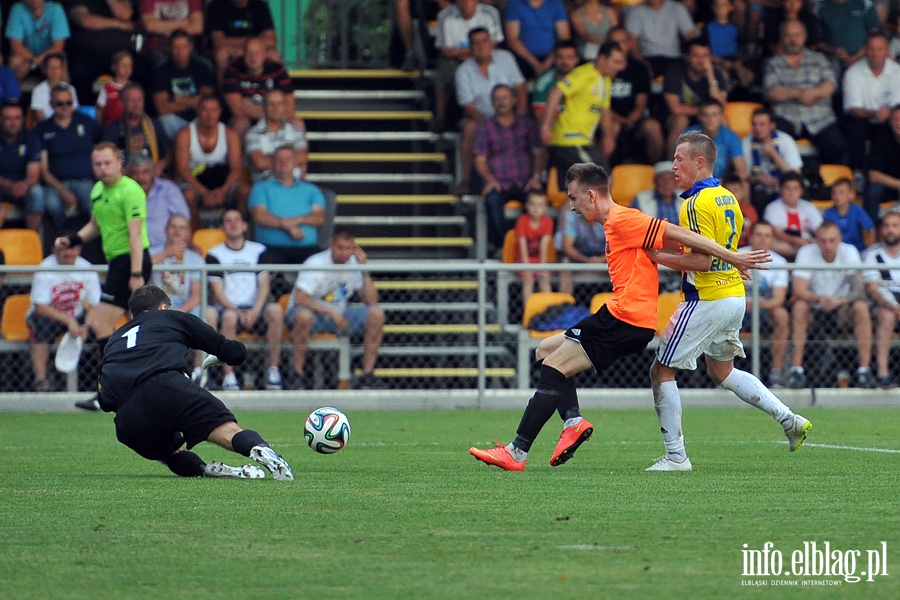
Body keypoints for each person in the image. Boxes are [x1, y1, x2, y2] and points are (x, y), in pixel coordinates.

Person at [469, 161, 772, 471]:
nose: (571, 207)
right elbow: (680, 242)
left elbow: (679, 232)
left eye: (573, 198)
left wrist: (731, 256)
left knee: (554, 366)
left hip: (626, 319)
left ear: (590, 194)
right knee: (545, 350)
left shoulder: (623, 219)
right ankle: (572, 421)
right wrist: (708, 256)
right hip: (621, 317)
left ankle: (518, 451)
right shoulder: (617, 224)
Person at [645, 131, 811, 472]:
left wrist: (657, 256)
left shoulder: (693, 203)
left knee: (661, 370)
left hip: (706, 297)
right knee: (722, 370)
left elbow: (703, 260)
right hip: (733, 294)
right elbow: (718, 250)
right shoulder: (727, 197)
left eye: (679, 159)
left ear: (699, 162)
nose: (674, 166)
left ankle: (676, 457)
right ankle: (789, 419)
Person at [97, 284, 294, 480]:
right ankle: (259, 449)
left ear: (133, 315)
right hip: (166, 387)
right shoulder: (173, 317)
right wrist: (224, 355)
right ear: (164, 308)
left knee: (171, 453)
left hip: (127, 420)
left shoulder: (114, 339)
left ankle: (205, 469)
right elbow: (233, 352)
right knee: (227, 431)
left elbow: (105, 400)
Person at [53, 141, 153, 411]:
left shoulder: (131, 191)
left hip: (131, 262)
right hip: (117, 264)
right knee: (105, 325)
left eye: (107, 162)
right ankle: (116, 388)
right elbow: (96, 224)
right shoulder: (98, 190)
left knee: (101, 322)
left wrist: (135, 273)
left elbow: (135, 234)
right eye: (97, 163)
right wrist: (73, 239)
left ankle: (111, 390)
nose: (102, 168)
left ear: (119, 163)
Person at [286, 227, 387, 391]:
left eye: (349, 248)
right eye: (340, 247)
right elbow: (300, 299)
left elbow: (371, 300)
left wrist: (364, 270)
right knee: (304, 317)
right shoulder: (316, 263)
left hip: (340, 313)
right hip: (310, 313)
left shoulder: (355, 265)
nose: (344, 253)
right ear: (331, 245)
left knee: (376, 314)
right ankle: (296, 376)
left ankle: (367, 375)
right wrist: (331, 312)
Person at [206, 209, 284, 391]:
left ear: (244, 225)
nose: (233, 224)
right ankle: (229, 376)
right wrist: (236, 310)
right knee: (229, 317)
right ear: (222, 228)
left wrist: (255, 311)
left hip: (256, 309)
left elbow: (264, 284)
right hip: (229, 309)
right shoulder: (214, 254)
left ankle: (273, 371)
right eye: (228, 221)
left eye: (237, 220)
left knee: (275, 310)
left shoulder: (259, 251)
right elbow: (217, 291)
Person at [789, 221, 874, 388]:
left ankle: (864, 370)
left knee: (861, 307)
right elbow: (798, 289)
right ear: (816, 240)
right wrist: (817, 299)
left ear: (840, 240)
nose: (827, 245)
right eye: (823, 240)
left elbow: (858, 289)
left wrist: (840, 301)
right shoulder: (806, 252)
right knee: (799, 307)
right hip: (814, 307)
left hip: (842, 308)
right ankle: (796, 370)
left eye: (832, 240)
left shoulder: (849, 251)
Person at [540, 40, 626, 188]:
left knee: (591, 184)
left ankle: (571, 212)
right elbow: (556, 92)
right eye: (615, 62)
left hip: (582, 141)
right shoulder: (584, 73)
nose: (620, 67)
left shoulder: (605, 80)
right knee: (597, 179)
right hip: (569, 140)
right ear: (601, 59)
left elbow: (604, 110)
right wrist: (546, 125)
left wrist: (608, 136)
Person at [474, 83, 545, 255]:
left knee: (536, 200)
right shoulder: (486, 127)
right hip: (499, 183)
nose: (501, 102)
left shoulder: (527, 124)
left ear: (514, 100)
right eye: (497, 98)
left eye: (505, 97)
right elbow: (480, 159)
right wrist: (489, 179)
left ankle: (531, 247)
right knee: (491, 200)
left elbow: (540, 153)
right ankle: (504, 246)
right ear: (492, 102)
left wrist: (535, 177)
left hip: (525, 181)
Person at [454, 27, 527, 192]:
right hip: (481, 119)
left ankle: (532, 180)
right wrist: (493, 125)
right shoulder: (463, 71)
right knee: (469, 127)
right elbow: (468, 107)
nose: (480, 46)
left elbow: (521, 88)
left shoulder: (506, 58)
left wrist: (519, 117)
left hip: (512, 116)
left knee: (530, 127)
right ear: (470, 48)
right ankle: (466, 180)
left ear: (492, 43)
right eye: (475, 43)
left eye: (484, 41)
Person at [763, 19, 844, 164]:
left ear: (804, 37)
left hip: (820, 117)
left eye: (797, 35)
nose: (792, 40)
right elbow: (772, 92)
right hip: (786, 117)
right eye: (788, 36)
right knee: (774, 145)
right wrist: (800, 94)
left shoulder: (819, 59)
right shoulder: (774, 63)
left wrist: (813, 93)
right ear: (782, 38)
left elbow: (831, 85)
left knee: (836, 147)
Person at [26, 237, 102, 392]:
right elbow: (41, 307)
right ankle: (41, 380)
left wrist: (86, 326)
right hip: (49, 314)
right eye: (64, 249)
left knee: (102, 328)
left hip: (78, 313)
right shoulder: (45, 268)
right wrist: (69, 321)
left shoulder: (86, 268)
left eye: (72, 249)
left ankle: (105, 378)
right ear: (54, 250)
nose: (68, 253)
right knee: (41, 326)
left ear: (79, 250)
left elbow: (95, 304)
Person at [174, 94, 249, 228]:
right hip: (194, 183)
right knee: (188, 194)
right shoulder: (185, 133)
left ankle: (237, 231)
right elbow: (183, 169)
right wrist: (204, 192)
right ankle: (194, 237)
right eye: (205, 110)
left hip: (222, 182)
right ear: (197, 111)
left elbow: (236, 168)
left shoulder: (230, 133)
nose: (210, 114)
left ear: (220, 112)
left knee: (244, 191)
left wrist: (223, 191)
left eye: (214, 110)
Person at [150, 213, 207, 381]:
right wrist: (166, 254)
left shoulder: (196, 259)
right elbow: (140, 273)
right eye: (173, 226)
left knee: (204, 314)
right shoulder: (152, 253)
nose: (177, 231)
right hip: (156, 307)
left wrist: (179, 311)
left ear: (189, 232)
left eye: (182, 228)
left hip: (185, 307)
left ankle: (199, 371)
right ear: (166, 230)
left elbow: (197, 296)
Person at [36, 84, 100, 231]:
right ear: (51, 104)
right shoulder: (43, 129)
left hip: (84, 180)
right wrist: (63, 192)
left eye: (68, 102)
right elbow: (44, 170)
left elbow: (100, 149)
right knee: (52, 205)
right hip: (56, 183)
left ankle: (94, 244)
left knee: (95, 206)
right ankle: (64, 235)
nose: (65, 106)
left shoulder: (87, 122)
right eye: (60, 103)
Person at [433, 0, 504, 130]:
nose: (466, 5)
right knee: (444, 68)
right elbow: (447, 51)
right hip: (456, 60)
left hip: (485, 57)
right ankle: (441, 117)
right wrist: (475, 51)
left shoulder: (490, 13)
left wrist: (468, 51)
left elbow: (493, 45)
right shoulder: (445, 15)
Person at [249, 145, 326, 266]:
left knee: (318, 264)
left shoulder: (312, 190)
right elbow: (260, 216)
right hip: (270, 249)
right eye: (279, 159)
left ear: (295, 162)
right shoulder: (260, 188)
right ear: (273, 163)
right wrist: (289, 227)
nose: (283, 162)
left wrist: (295, 221)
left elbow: (319, 217)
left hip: (307, 250)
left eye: (288, 158)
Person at [841, 31, 900, 174]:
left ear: (887, 51)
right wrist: (875, 113)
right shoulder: (853, 73)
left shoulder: (897, 71)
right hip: (863, 119)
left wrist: (888, 114)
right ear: (865, 50)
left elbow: (898, 105)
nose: (876, 53)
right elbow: (853, 108)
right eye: (871, 49)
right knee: (856, 129)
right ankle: (857, 173)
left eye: (880, 49)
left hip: (889, 118)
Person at [739, 221, 790, 387]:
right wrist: (741, 302)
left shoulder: (779, 261)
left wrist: (763, 304)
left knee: (781, 315)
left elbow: (779, 298)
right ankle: (724, 372)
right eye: (759, 235)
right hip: (738, 308)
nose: (762, 239)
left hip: (764, 309)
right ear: (751, 236)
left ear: (772, 239)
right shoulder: (736, 254)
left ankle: (776, 372)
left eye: (767, 236)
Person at [604, 26, 664, 165]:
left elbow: (641, 103)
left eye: (623, 42)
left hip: (634, 117)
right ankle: (603, 171)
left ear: (629, 44)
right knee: (613, 127)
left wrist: (630, 119)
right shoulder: (603, 67)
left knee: (653, 127)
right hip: (610, 117)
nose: (619, 46)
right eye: (614, 43)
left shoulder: (639, 68)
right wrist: (620, 120)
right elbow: (602, 104)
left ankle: (655, 169)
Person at [663, 41, 729, 157]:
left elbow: (721, 106)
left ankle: (723, 163)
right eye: (696, 56)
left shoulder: (715, 73)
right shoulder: (675, 71)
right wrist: (705, 112)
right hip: (678, 117)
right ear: (687, 57)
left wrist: (710, 77)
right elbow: (675, 108)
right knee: (681, 120)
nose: (701, 60)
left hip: (704, 116)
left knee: (722, 120)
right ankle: (671, 165)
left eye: (705, 56)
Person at [151, 29, 217, 141]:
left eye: (183, 46)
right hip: (175, 122)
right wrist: (193, 101)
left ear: (190, 47)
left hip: (199, 120)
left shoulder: (202, 68)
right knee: (164, 119)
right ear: (169, 48)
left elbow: (207, 101)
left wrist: (179, 100)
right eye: (176, 47)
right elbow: (162, 108)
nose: (180, 51)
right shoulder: (161, 72)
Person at [222, 37, 295, 135]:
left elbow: (289, 107)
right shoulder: (233, 70)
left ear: (265, 54)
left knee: (297, 123)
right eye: (249, 53)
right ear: (243, 54)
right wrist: (273, 110)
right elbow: (237, 110)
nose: (253, 57)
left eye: (257, 52)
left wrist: (249, 107)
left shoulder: (278, 70)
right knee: (240, 123)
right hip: (248, 120)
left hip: (273, 118)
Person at [742, 106, 804, 215]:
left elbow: (796, 175)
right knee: (759, 195)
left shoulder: (785, 140)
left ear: (772, 125)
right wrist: (758, 178)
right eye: (754, 124)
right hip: (760, 187)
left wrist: (774, 154)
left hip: (784, 185)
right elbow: (743, 175)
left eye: (762, 124)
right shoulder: (746, 142)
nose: (757, 128)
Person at [863, 210, 900, 388]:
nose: (890, 230)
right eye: (886, 226)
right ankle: (882, 373)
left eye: (895, 226)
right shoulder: (872, 254)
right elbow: (873, 288)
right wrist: (894, 306)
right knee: (887, 316)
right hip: (883, 305)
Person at [102, 83, 172, 176]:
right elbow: (106, 160)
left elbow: (169, 151)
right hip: (126, 180)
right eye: (131, 100)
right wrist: (127, 173)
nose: (137, 104)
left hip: (153, 177)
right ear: (122, 103)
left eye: (140, 100)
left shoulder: (154, 124)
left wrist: (160, 165)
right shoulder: (113, 129)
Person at [126, 153, 190, 249]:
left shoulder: (168, 189)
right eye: (135, 173)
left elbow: (184, 220)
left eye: (145, 172)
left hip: (167, 250)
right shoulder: (123, 193)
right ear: (128, 175)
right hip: (132, 251)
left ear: (153, 172)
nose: (140, 178)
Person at [205, 0, 279, 83]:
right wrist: (250, 44)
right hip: (229, 50)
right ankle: (225, 93)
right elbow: (218, 41)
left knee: (273, 54)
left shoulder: (260, 6)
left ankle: (274, 91)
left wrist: (248, 48)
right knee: (221, 54)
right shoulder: (216, 6)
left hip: (253, 49)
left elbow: (271, 40)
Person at [244, 89, 308, 183]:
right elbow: (260, 163)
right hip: (264, 185)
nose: (276, 107)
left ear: (284, 106)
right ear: (264, 107)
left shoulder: (296, 131)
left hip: (293, 186)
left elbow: (302, 157)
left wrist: (270, 161)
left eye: (279, 103)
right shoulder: (253, 133)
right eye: (271, 104)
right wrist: (288, 162)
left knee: (328, 196)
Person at [624, 0, 698, 77]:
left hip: (674, 57)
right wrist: (641, 62)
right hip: (648, 58)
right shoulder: (636, 11)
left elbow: (690, 34)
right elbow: (631, 40)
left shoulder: (677, 8)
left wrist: (690, 55)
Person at [0, 101, 43, 232]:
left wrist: (22, 186)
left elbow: (34, 175)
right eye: (8, 118)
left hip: (23, 188)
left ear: (23, 119)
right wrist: (10, 186)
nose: (13, 123)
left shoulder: (31, 138)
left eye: (17, 118)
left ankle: (31, 239)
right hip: (2, 186)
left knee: (37, 193)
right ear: (0, 120)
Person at [502, 0, 571, 80]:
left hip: (553, 57)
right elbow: (512, 39)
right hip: (523, 58)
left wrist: (547, 63)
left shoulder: (555, 4)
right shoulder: (514, 4)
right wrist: (535, 64)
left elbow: (564, 38)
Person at [762, 171, 823, 261]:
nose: (791, 192)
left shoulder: (808, 207)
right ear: (781, 189)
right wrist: (796, 240)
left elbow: (820, 229)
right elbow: (777, 233)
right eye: (787, 188)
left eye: (795, 188)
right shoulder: (772, 208)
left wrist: (815, 241)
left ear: (801, 191)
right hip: (783, 244)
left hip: (805, 243)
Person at [5, 0, 71, 81]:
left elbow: (58, 47)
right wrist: (32, 61)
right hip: (26, 56)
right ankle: (13, 93)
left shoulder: (56, 9)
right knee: (14, 62)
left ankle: (60, 93)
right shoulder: (18, 9)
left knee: (58, 65)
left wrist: (35, 62)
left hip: (50, 55)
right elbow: (16, 46)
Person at [684, 99, 747, 182]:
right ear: (699, 117)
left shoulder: (731, 136)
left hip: (722, 184)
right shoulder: (689, 136)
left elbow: (742, 171)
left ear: (721, 117)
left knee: (744, 183)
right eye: (706, 115)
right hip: (694, 184)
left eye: (714, 115)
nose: (710, 119)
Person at [139, 0, 204, 68]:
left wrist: (163, 27)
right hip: (158, 48)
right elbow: (150, 26)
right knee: (162, 67)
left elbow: (197, 28)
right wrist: (185, 22)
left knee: (205, 67)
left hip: (186, 49)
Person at [514, 192, 555, 300]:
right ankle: (528, 311)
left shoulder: (548, 221)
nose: (536, 208)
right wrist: (527, 267)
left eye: (540, 205)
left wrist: (542, 267)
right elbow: (522, 246)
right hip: (523, 259)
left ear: (546, 207)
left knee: (544, 279)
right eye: (533, 204)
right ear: (527, 205)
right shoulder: (522, 221)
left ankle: (547, 308)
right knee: (529, 279)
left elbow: (544, 246)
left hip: (539, 259)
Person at [530, 40, 579, 121]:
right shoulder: (544, 80)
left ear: (576, 60)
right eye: (560, 57)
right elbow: (539, 114)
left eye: (569, 57)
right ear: (555, 59)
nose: (564, 61)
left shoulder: (585, 78)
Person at [822, 177, 875, 253]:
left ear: (851, 195)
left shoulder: (857, 210)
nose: (837, 196)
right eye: (834, 193)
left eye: (841, 193)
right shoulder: (828, 213)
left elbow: (871, 229)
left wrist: (870, 251)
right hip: (836, 252)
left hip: (858, 251)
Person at [867, 106, 900, 219]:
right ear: (890, 123)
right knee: (874, 190)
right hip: (887, 186)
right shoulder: (881, 138)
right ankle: (871, 231)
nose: (898, 123)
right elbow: (873, 175)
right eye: (895, 119)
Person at [30, 54, 78, 122]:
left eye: (57, 67)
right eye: (51, 67)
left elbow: (73, 112)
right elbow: (39, 118)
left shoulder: (70, 89)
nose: (54, 71)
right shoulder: (38, 90)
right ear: (45, 70)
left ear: (62, 70)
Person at [95, 51, 134, 128]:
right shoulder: (107, 88)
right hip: (111, 128)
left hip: (130, 128)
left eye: (129, 66)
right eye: (123, 66)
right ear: (114, 67)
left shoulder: (134, 88)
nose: (127, 69)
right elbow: (100, 111)